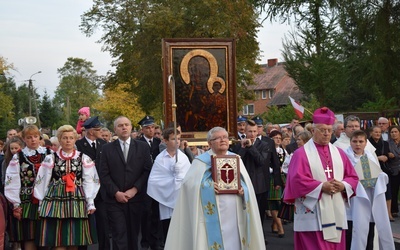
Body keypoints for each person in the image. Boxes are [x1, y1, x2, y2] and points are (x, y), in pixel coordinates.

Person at [164, 127, 265, 249]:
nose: (223, 140)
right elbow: (189, 186)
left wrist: (244, 190)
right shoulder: (200, 162)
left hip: (235, 213)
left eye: (225, 137)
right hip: (213, 212)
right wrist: (207, 187)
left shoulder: (236, 159)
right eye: (218, 138)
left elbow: (246, 184)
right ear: (209, 143)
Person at [284, 107, 359, 250]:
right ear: (313, 131)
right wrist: (321, 187)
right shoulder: (301, 154)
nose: (326, 134)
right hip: (313, 214)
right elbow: (295, 180)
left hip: (335, 210)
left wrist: (343, 185)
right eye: (322, 130)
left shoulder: (339, 153)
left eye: (329, 130)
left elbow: (352, 177)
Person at [33, 125, 100, 249]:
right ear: (59, 139)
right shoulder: (51, 158)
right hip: (55, 200)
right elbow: (42, 181)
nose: (68, 140)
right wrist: (41, 202)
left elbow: (90, 180)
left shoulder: (83, 158)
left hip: (77, 200)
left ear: (75, 139)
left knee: (74, 239)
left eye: (70, 138)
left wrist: (90, 201)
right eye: (64, 138)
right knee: (58, 240)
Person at [100, 116, 152, 250]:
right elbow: (104, 174)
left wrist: (135, 189)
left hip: (136, 198)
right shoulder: (107, 149)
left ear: (131, 127)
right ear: (115, 129)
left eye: (126, 125)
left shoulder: (142, 147)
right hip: (114, 200)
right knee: (119, 234)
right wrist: (116, 192)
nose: (124, 127)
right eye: (120, 125)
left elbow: (147, 171)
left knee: (133, 235)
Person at [344, 130, 394, 250]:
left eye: (361, 141)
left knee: (370, 232)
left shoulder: (370, 156)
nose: (358, 144)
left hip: (371, 198)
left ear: (366, 143)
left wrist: (381, 177)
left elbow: (379, 174)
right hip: (354, 200)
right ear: (350, 142)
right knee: (354, 231)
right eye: (355, 141)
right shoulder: (345, 157)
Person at [4, 125, 52, 250]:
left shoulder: (49, 154)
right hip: (27, 200)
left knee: (45, 235)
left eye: (35, 136)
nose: (33, 140)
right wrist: (16, 203)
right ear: (24, 139)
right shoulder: (18, 157)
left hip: (47, 198)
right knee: (29, 235)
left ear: (39, 137)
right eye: (29, 137)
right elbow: (12, 181)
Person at [232, 120, 282, 231]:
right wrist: (244, 147)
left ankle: (260, 236)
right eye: (250, 131)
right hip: (243, 184)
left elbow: (261, 161)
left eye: (255, 131)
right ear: (245, 131)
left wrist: (251, 147)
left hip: (260, 185)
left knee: (259, 213)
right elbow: (237, 160)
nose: (252, 134)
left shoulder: (264, 145)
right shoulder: (238, 145)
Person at [147, 128, 191, 241]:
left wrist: (180, 175)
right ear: (165, 140)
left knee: (182, 231)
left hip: (181, 199)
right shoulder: (160, 158)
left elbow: (190, 178)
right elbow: (154, 181)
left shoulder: (183, 158)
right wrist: (170, 179)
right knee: (168, 230)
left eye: (178, 139)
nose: (177, 141)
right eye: (173, 139)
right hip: (165, 200)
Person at [75, 116, 109, 250]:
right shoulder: (78, 145)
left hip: (101, 190)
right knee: (84, 225)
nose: (100, 131)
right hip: (85, 189)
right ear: (90, 132)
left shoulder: (104, 144)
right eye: (97, 129)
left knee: (104, 224)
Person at [137, 115, 163, 250]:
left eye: (152, 127)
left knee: (156, 212)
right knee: (146, 213)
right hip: (145, 182)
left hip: (158, 182)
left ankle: (156, 241)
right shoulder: (138, 142)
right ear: (142, 130)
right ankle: (145, 241)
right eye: (147, 128)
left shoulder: (159, 143)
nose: (151, 130)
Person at [368, 125, 393, 221]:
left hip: (384, 169)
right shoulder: (367, 143)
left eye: (379, 132)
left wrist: (388, 156)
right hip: (373, 170)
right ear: (371, 133)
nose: (378, 134)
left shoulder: (385, 143)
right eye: (375, 132)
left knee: (388, 192)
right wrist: (378, 158)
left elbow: (388, 154)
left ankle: (388, 213)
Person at [267, 130, 286, 238]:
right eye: (275, 138)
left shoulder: (283, 150)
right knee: (274, 201)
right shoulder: (268, 149)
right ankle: (280, 227)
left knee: (281, 201)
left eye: (279, 138)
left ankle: (274, 224)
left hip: (282, 177)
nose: (278, 140)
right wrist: (274, 170)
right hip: (271, 176)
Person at [388, 125, 400, 217]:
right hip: (394, 170)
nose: (394, 134)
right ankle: (394, 210)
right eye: (392, 132)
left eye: (395, 132)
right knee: (394, 190)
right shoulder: (387, 144)